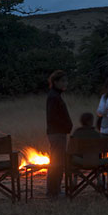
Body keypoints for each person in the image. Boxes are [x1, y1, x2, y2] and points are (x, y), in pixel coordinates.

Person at [46, 70, 73, 198]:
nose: (65, 83)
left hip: (59, 133)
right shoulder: (53, 97)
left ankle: (54, 190)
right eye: (62, 81)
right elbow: (53, 117)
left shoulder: (56, 96)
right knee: (57, 162)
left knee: (57, 161)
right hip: (57, 133)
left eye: (66, 81)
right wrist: (65, 126)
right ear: (55, 82)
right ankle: (53, 191)